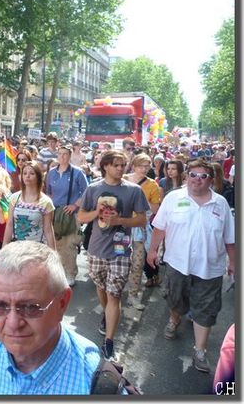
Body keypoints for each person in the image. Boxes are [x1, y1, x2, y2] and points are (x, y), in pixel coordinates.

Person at [0, 241, 102, 395]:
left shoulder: (97, 385)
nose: (13, 323)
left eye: (30, 307)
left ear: (62, 303)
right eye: (0, 305)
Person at [146, 160, 235, 374]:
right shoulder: (173, 198)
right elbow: (159, 227)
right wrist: (152, 250)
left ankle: (200, 350)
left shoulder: (221, 203)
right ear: (187, 176)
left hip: (209, 268)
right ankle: (174, 318)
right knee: (176, 299)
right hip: (177, 264)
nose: (197, 180)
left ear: (211, 180)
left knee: (205, 309)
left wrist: (234, 261)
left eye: (203, 176)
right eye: (193, 175)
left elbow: (229, 238)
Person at [77, 150, 149, 360]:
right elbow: (81, 217)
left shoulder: (134, 190)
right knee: (102, 288)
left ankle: (109, 341)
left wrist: (121, 222)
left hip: (121, 250)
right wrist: (96, 213)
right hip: (96, 248)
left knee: (114, 294)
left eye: (122, 165)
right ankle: (107, 314)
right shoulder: (93, 188)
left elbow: (142, 220)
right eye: (116, 165)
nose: (120, 168)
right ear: (105, 166)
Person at [45, 145, 88, 286]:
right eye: (60, 154)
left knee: (69, 244)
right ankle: (58, 271)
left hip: (71, 213)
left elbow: (86, 192)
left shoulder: (77, 173)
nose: (62, 157)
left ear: (70, 156)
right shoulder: (51, 173)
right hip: (55, 212)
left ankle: (70, 273)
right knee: (55, 244)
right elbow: (48, 192)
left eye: (65, 154)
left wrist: (75, 205)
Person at [123, 153, 161, 309]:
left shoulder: (153, 185)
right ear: (134, 165)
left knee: (138, 263)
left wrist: (140, 198)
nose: (144, 169)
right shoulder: (123, 178)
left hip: (139, 228)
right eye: (141, 166)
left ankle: (133, 295)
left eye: (147, 166)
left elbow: (155, 209)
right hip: (121, 228)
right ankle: (116, 291)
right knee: (119, 260)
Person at [3, 161, 56, 250]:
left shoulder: (46, 202)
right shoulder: (14, 198)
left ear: (38, 177)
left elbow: (48, 230)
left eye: (32, 173)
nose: (27, 176)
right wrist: (4, 246)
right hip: (16, 247)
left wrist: (53, 254)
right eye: (24, 173)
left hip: (36, 249)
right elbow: (9, 224)